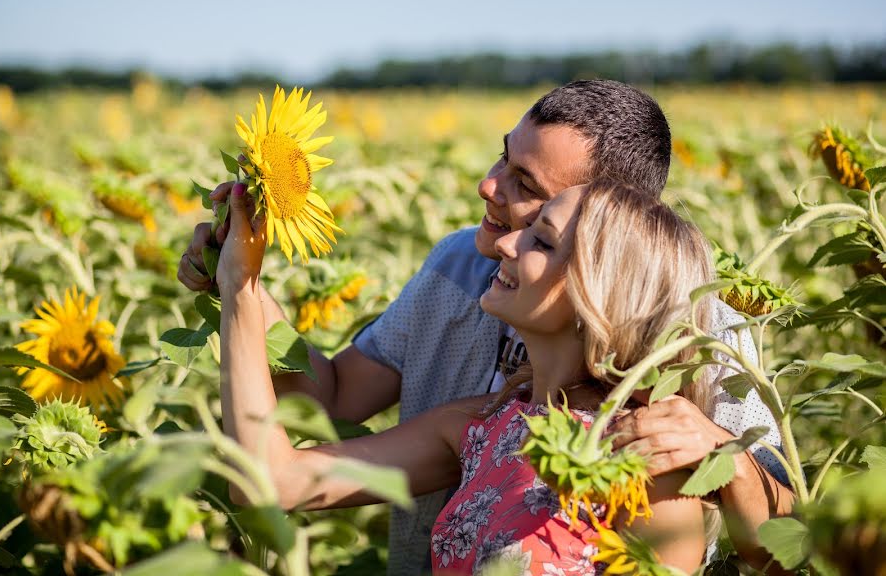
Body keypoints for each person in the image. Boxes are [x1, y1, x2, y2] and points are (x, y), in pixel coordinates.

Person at [178, 80, 794, 573]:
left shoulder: (700, 343)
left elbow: (783, 545)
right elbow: (323, 412)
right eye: (506, 154)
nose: (489, 185)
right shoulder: (476, 383)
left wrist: (727, 458)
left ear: (609, 253)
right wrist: (245, 287)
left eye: (529, 191)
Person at [218, 180, 716, 574]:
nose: (508, 243)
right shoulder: (484, 423)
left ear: (600, 296)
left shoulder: (644, 462)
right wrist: (241, 285)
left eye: (541, 240)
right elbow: (273, 481)